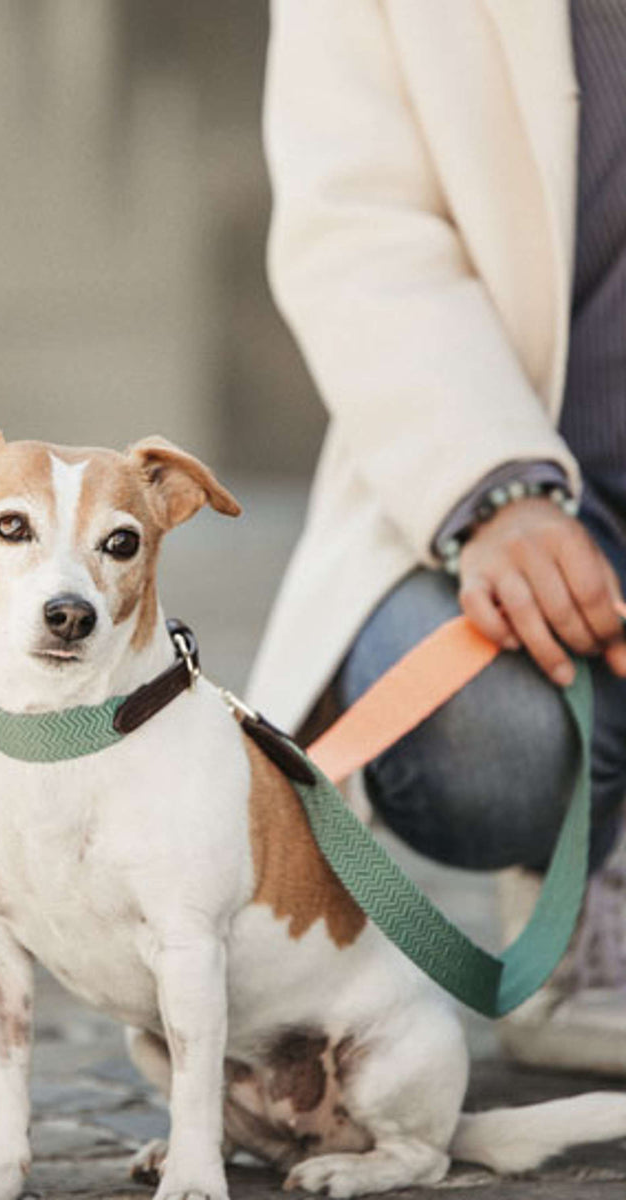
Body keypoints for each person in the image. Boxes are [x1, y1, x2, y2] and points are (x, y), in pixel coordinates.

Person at [248, 0, 626, 1072]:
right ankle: (590, 872)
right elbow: (357, 230)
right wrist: (496, 492)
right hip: (531, 463)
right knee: (487, 744)